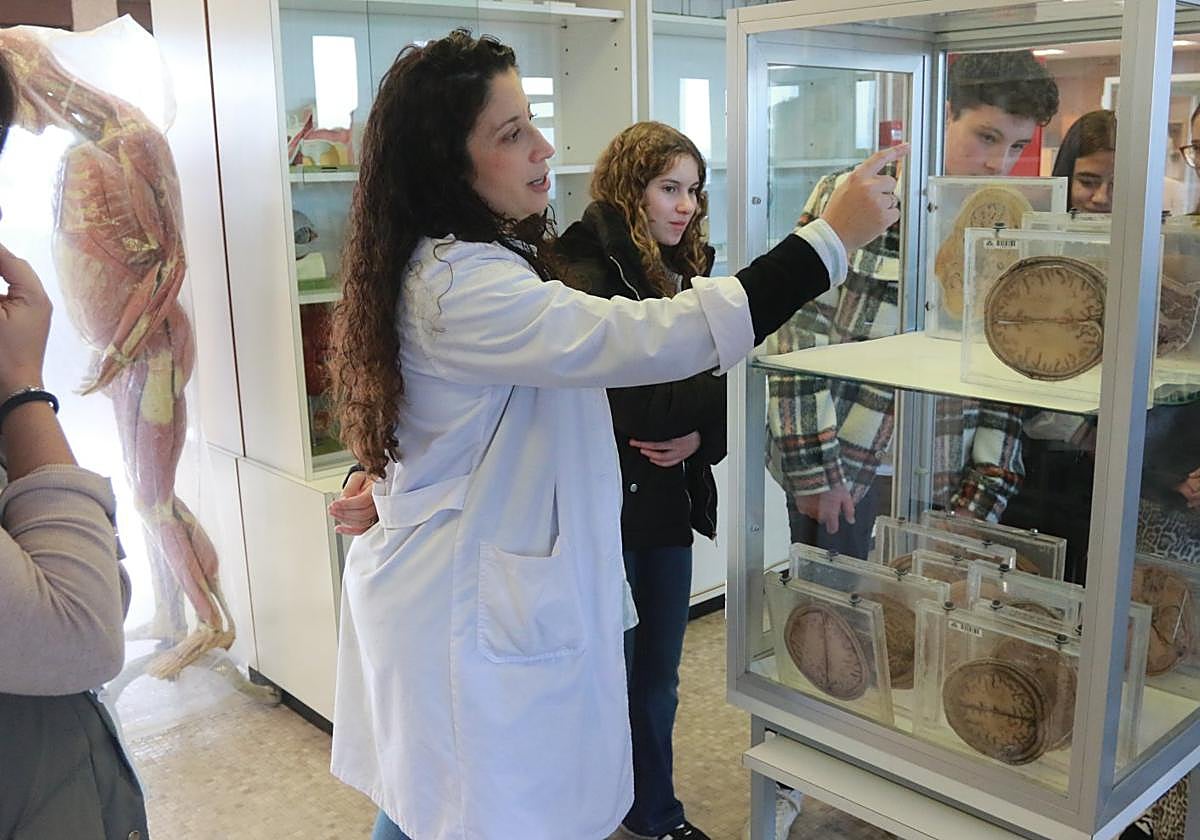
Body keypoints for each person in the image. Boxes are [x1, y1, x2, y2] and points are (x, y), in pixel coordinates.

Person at [323, 30, 904, 840]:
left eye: (533, 121)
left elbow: (443, 416)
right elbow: (650, 339)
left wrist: (378, 479)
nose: (544, 147)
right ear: (446, 162)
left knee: (439, 799)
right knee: (462, 805)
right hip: (460, 610)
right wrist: (827, 242)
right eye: (511, 132)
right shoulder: (462, 282)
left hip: (463, 589)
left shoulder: (470, 260)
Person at [765, 50, 1060, 558]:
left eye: (1016, 145)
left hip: (944, 479)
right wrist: (813, 470)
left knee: (929, 630)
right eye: (986, 137)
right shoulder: (857, 195)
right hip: (847, 469)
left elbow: (1005, 369)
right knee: (833, 624)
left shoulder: (1005, 221)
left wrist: (982, 498)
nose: (998, 162)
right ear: (945, 114)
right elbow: (796, 333)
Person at [552, 121, 723, 840]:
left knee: (657, 678)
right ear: (631, 188)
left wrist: (700, 433)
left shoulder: (687, 267)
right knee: (604, 678)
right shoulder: (579, 268)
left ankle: (652, 814)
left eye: (692, 190)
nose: (684, 206)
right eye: (668, 188)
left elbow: (712, 391)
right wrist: (696, 397)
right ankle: (600, 811)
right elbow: (635, 400)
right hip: (601, 509)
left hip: (663, 502)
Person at [0, 53, 149, 840]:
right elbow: (83, 623)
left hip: (144, 342)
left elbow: (97, 596)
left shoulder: (135, 140)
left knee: (152, 502)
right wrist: (22, 388)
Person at [1000, 109, 1114, 580]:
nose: (1101, 198)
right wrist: (1072, 428)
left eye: (1116, 184)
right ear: (1064, 175)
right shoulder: (1034, 242)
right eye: (1087, 181)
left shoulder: (1151, 248)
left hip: (1111, 461)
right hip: (1033, 457)